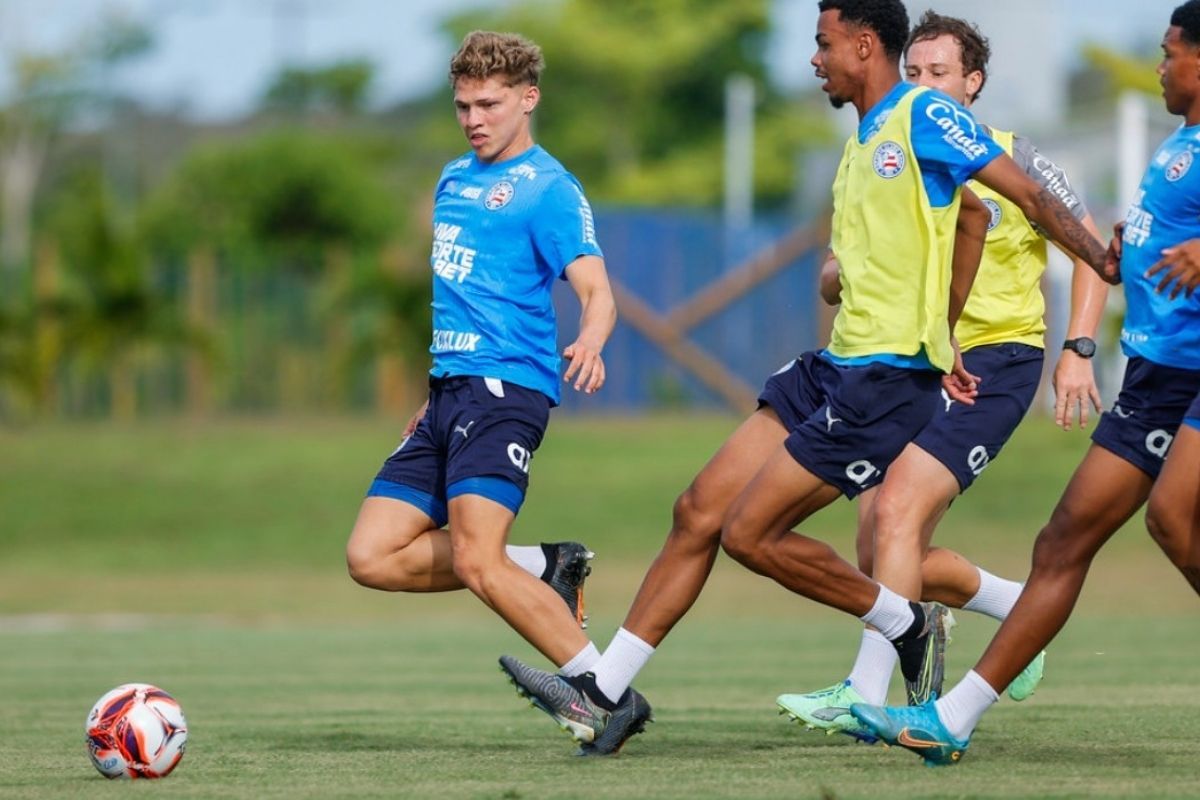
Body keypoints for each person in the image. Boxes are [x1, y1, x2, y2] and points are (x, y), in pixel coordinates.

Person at [498, 0, 1113, 757]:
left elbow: (1021, 199)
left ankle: (905, 625)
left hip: (884, 380)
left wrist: (1098, 260)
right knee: (697, 510)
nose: (815, 60)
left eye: (824, 44)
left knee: (751, 535)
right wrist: (939, 323)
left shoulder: (923, 115)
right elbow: (967, 225)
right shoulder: (861, 140)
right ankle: (607, 693)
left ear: (864, 44)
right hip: (833, 366)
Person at [851, 0, 1200, 766]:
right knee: (1062, 539)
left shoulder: (1014, 156)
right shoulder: (1181, 142)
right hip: (1156, 374)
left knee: (1173, 520)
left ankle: (879, 691)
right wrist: (1133, 248)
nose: (1160, 65)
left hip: (1183, 371)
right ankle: (952, 719)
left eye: (1171, 51)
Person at [776, 10, 1110, 741]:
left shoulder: (1012, 157)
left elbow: (1085, 245)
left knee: (895, 513)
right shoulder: (893, 152)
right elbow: (846, 262)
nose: (923, 85)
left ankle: (864, 694)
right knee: (879, 547)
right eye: (915, 72)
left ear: (973, 82)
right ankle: (1019, 610)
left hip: (996, 364)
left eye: (939, 73)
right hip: (921, 362)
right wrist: (838, 274)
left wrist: (1079, 349)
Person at [344, 31, 616, 677]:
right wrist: (433, 392)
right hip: (448, 393)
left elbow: (597, 289)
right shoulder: (453, 178)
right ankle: (545, 565)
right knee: (371, 556)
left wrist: (591, 339)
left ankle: (602, 691)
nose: (474, 120)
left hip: (504, 392)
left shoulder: (549, 188)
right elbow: (462, 299)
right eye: (464, 106)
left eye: (489, 105)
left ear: (528, 98)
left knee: (475, 556)